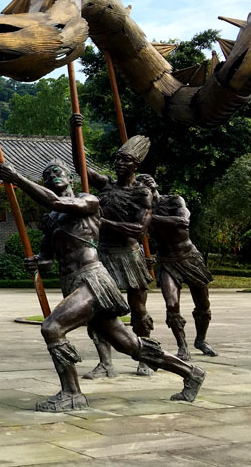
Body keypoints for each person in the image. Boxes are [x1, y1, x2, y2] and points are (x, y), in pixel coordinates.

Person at [0, 158, 206, 411]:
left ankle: (72, 394)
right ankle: (191, 373)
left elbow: (55, 201)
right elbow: (48, 257)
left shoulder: (88, 201)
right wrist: (37, 262)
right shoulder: (51, 219)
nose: (52, 176)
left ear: (70, 178)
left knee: (52, 328)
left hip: (92, 280)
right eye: (47, 175)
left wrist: (16, 178)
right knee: (128, 344)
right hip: (71, 282)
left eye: (57, 171)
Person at [71, 118, 157, 378]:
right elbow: (80, 166)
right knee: (97, 309)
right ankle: (105, 362)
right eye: (117, 159)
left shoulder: (142, 193)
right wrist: (74, 132)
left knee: (139, 309)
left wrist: (104, 222)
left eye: (125, 160)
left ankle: (145, 356)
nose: (119, 163)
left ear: (135, 165)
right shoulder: (106, 184)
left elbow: (139, 230)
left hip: (129, 255)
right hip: (103, 255)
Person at [137, 174, 216, 359]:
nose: (146, 183)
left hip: (190, 257)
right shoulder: (140, 212)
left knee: (203, 304)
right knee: (172, 305)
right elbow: (135, 236)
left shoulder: (173, 200)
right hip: (167, 261)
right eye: (141, 185)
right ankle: (182, 346)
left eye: (149, 182)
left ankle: (201, 340)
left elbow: (183, 222)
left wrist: (150, 218)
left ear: (155, 185)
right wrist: (143, 256)